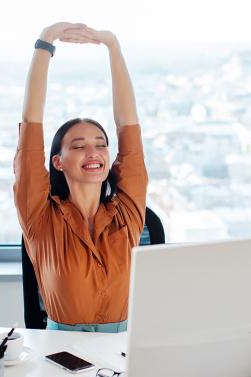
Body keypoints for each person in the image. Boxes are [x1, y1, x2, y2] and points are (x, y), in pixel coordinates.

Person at [13, 22, 148, 333]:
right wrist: (45, 43)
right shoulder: (40, 219)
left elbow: (129, 127)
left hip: (122, 356)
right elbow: (30, 127)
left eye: (101, 145)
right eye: (79, 146)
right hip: (61, 356)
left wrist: (113, 46)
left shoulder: (127, 214)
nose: (94, 152)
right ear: (58, 162)